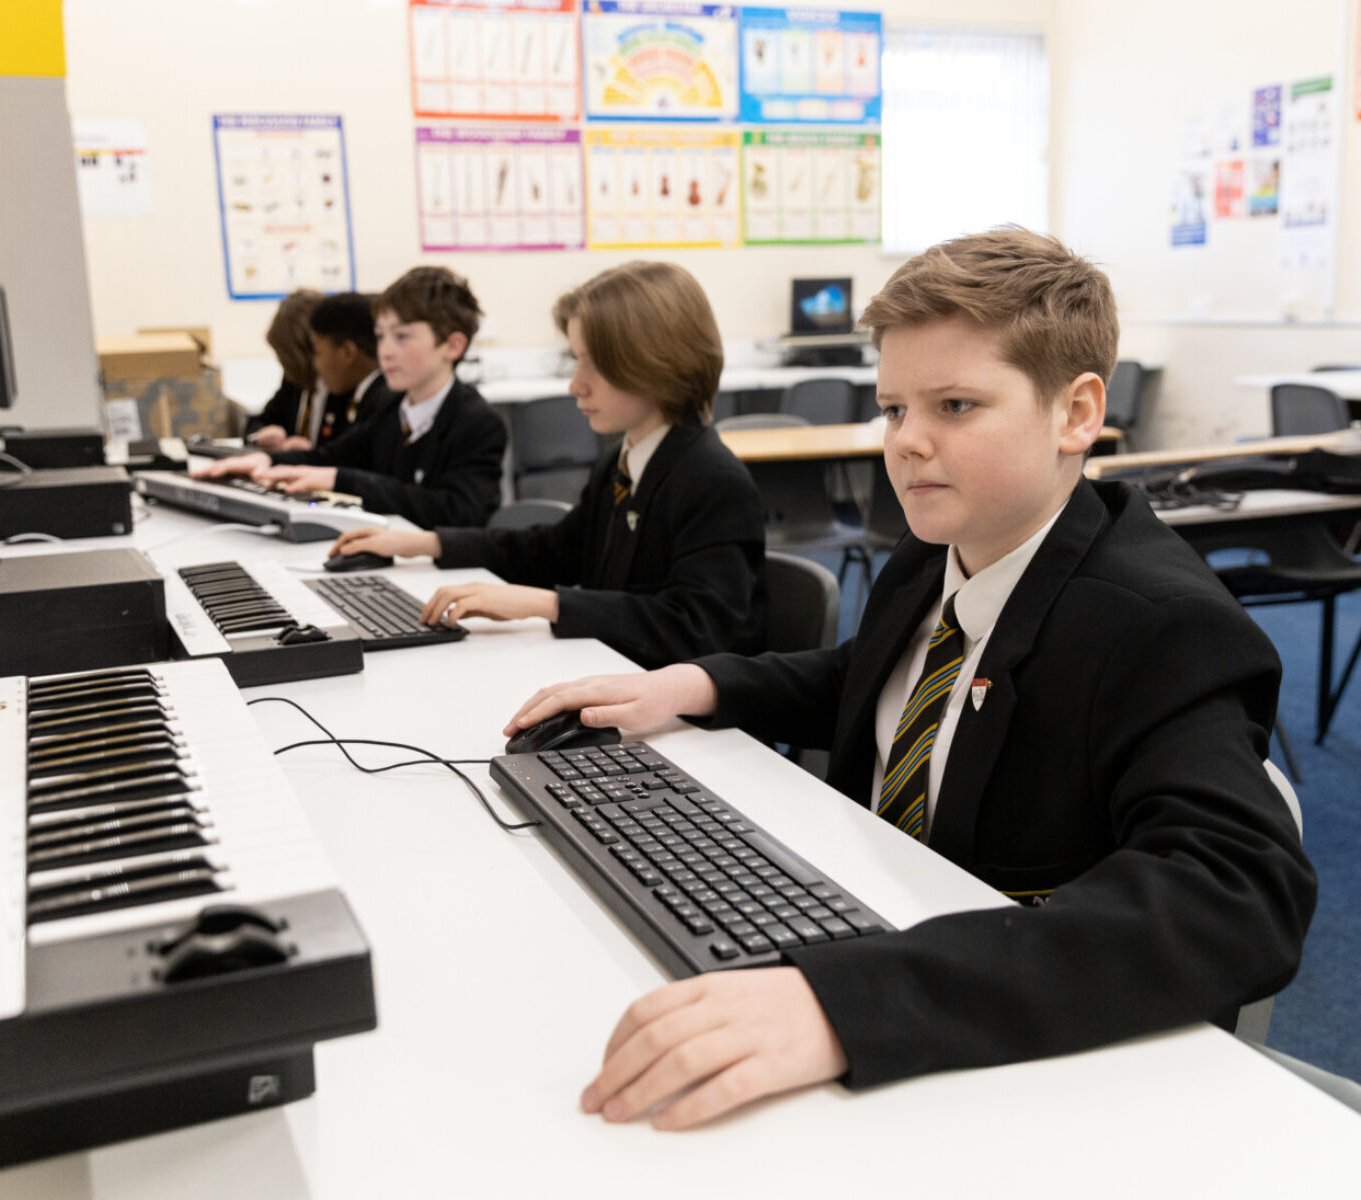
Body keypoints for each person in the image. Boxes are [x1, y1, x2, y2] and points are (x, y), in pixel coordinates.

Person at [504, 227, 1317, 1129]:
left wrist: (849, 1000)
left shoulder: (1161, 626)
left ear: (1077, 413)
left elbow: (1236, 895)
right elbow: (869, 679)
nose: (907, 443)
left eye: (956, 406)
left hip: (1008, 1063)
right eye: (894, 410)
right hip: (883, 914)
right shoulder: (942, 546)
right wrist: (696, 685)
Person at [327, 261, 766, 669]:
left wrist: (546, 604)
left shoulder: (712, 481)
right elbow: (554, 551)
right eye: (576, 360)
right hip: (615, 676)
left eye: (595, 363)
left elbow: (694, 629)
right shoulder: (623, 460)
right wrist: (426, 543)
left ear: (657, 364)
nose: (576, 385)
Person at [195, 267, 506, 528]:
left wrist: (340, 479)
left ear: (452, 346)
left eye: (401, 336)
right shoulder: (391, 406)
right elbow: (331, 457)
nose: (386, 351)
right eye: (381, 335)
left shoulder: (478, 423)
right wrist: (266, 460)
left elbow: (456, 511)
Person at [305, 291, 395, 444]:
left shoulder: (383, 405)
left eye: (317, 352)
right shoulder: (363, 397)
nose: (315, 365)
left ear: (347, 352)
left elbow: (343, 454)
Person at [244, 288, 323, 452]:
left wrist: (315, 450)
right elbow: (258, 421)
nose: (283, 364)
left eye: (286, 356)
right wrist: (260, 436)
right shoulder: (294, 380)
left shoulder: (344, 387)